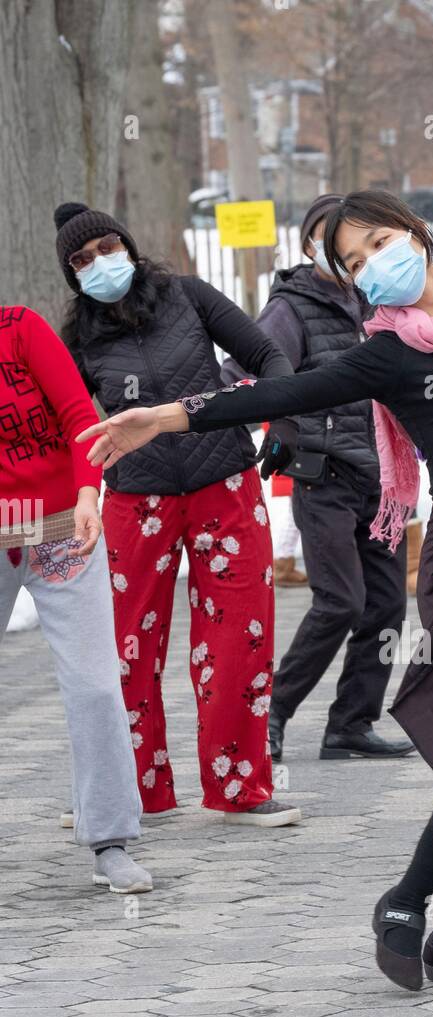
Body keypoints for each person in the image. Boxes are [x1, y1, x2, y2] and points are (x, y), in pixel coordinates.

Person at [76, 189, 433, 987]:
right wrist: (169, 417)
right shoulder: (386, 354)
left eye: (379, 243)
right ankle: (405, 899)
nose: (370, 265)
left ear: (416, 235)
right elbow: (274, 393)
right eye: (352, 262)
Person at [55, 202, 299, 828]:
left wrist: (283, 419)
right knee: (125, 651)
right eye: (81, 261)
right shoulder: (77, 339)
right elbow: (66, 425)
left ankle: (240, 790)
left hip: (226, 485)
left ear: (128, 246)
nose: (98, 264)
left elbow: (269, 358)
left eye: (106, 248)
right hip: (136, 502)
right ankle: (134, 791)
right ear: (72, 275)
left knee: (239, 641)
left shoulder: (188, 296)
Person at [222, 193, 414, 762]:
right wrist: (267, 420)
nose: (341, 250)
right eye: (326, 237)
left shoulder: (380, 300)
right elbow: (244, 370)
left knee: (387, 606)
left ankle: (350, 725)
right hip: (321, 474)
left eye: (352, 240)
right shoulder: (291, 306)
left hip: (379, 479)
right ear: (310, 247)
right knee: (341, 602)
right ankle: (271, 715)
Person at [0, 304, 150, 893]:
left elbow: (76, 416)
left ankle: (111, 841)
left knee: (93, 685)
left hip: (64, 525)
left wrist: (90, 493)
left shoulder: (19, 328)